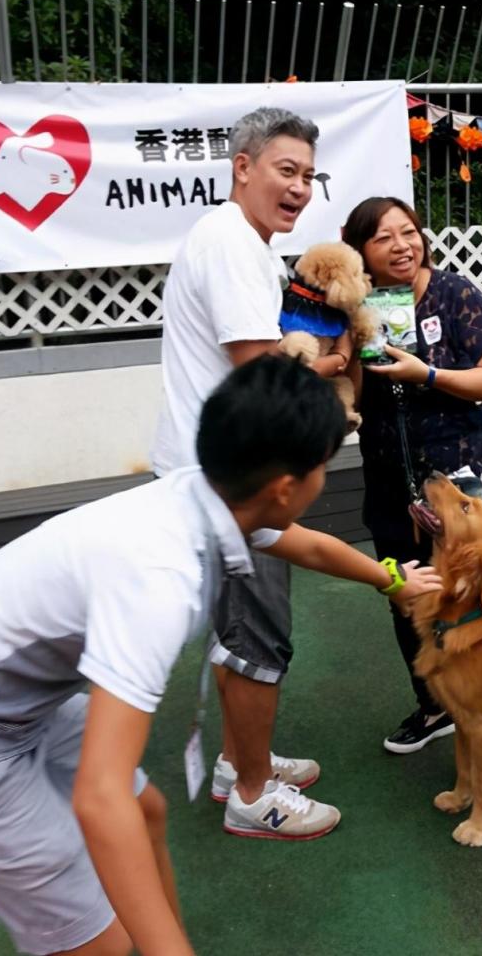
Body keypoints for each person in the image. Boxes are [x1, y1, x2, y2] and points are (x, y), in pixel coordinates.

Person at [0, 356, 442, 956]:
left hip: (5, 704)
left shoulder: (209, 492)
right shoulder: (158, 578)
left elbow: (309, 546)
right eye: (324, 464)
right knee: (104, 942)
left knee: (145, 813)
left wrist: (391, 580)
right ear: (286, 488)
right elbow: (99, 796)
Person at [150, 107, 346, 830]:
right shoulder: (232, 242)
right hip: (231, 480)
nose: (298, 188)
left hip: (217, 469)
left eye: (308, 175)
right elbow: (258, 368)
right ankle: (254, 796)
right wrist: (332, 371)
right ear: (242, 167)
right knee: (257, 633)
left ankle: (241, 761)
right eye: (285, 170)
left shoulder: (244, 243)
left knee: (238, 629)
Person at [342, 196, 482, 754]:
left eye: (408, 232)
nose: (401, 246)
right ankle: (434, 705)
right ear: (360, 251)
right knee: (404, 592)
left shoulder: (454, 293)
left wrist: (428, 374)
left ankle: (481, 707)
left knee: (470, 595)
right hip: (389, 475)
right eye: (383, 238)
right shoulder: (358, 307)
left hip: (456, 478)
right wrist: (353, 354)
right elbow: (356, 397)